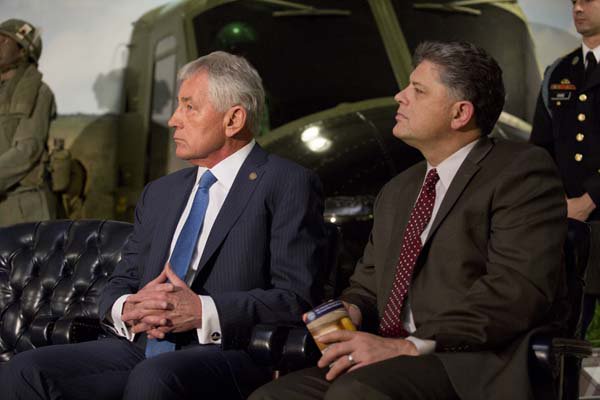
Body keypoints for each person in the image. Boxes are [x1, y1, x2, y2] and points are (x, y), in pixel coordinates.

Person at [250, 41, 567, 400]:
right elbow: (367, 287)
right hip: (386, 356)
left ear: (459, 113)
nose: (400, 97)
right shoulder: (399, 190)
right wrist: (351, 310)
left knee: (356, 393)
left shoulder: (520, 172)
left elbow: (514, 292)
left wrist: (411, 346)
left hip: (468, 362)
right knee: (272, 396)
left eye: (417, 90)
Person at [1, 51, 327, 400]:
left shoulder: (287, 181)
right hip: (142, 347)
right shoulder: (161, 192)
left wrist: (202, 310)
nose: (173, 120)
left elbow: (295, 298)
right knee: (25, 370)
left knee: (154, 378)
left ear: (233, 120)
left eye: (189, 107)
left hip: (230, 351)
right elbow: (121, 281)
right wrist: (128, 306)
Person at [530, 0, 600, 337]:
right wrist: (552, 202)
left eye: (588, 0)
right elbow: (540, 148)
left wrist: (591, 199)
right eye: (574, 1)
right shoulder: (559, 71)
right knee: (567, 333)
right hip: (567, 224)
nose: (578, 7)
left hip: (590, 213)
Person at [0, 18, 56, 226]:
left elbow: (27, 150)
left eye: (5, 40)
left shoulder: (38, 92)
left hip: (23, 208)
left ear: (23, 51)